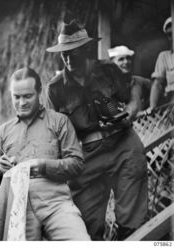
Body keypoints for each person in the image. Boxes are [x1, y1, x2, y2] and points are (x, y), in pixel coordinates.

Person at [46, 19, 147, 240]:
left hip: (123, 146)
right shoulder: (55, 89)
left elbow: (135, 87)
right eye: (63, 53)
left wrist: (132, 107)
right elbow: (52, 133)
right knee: (87, 229)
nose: (67, 58)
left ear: (86, 49)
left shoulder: (108, 70)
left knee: (133, 223)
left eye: (73, 52)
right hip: (87, 157)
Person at [0, 67, 90, 241]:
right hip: (18, 209)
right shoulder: (3, 132)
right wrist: (0, 170)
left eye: (28, 96)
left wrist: (42, 166)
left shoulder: (59, 121)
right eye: (16, 97)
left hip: (56, 203)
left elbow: (77, 164)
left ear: (40, 92)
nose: (21, 103)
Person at [108, 45, 151, 112]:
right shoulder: (107, 85)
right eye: (121, 59)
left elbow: (158, 89)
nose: (126, 62)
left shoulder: (140, 81)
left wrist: (149, 108)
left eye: (128, 58)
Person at [150, 17, 174, 108]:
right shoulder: (164, 56)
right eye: (169, 34)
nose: (172, 37)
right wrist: (152, 107)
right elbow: (157, 84)